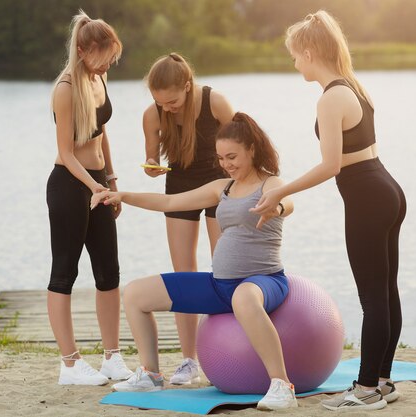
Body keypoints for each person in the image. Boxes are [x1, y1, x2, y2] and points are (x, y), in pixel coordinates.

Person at [252, 10, 407, 411]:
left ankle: (368, 388)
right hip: (386, 189)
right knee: (385, 292)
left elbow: (331, 166)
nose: (294, 63)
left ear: (308, 51)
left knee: (373, 297)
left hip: (369, 197)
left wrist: (280, 191)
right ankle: (383, 381)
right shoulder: (353, 87)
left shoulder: (330, 97)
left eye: (294, 56)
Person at [92, 113, 297, 411]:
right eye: (221, 158)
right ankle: (150, 374)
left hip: (263, 283)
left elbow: (288, 202)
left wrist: (276, 206)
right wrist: (121, 195)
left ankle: (281, 385)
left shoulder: (271, 183)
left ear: (252, 149)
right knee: (136, 293)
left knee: (244, 296)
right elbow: (171, 202)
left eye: (232, 156)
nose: (227, 163)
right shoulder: (222, 188)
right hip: (219, 286)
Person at [46, 10, 132, 386]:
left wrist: (109, 180)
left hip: (98, 182)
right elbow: (66, 152)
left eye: (112, 57)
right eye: (104, 56)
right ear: (83, 50)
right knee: (64, 271)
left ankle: (112, 356)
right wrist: (93, 186)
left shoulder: (100, 79)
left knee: (109, 272)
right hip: (69, 184)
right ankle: (70, 364)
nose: (108, 63)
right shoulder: (65, 88)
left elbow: (101, 134)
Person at [141, 52, 235, 384]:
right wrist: (152, 164)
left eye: (173, 101)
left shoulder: (216, 103)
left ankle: (230, 351)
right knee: (184, 273)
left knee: (224, 269)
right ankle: (188, 360)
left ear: (188, 86)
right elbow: (152, 157)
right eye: (160, 103)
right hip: (178, 186)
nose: (167, 108)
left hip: (218, 186)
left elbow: (244, 146)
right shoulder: (152, 115)